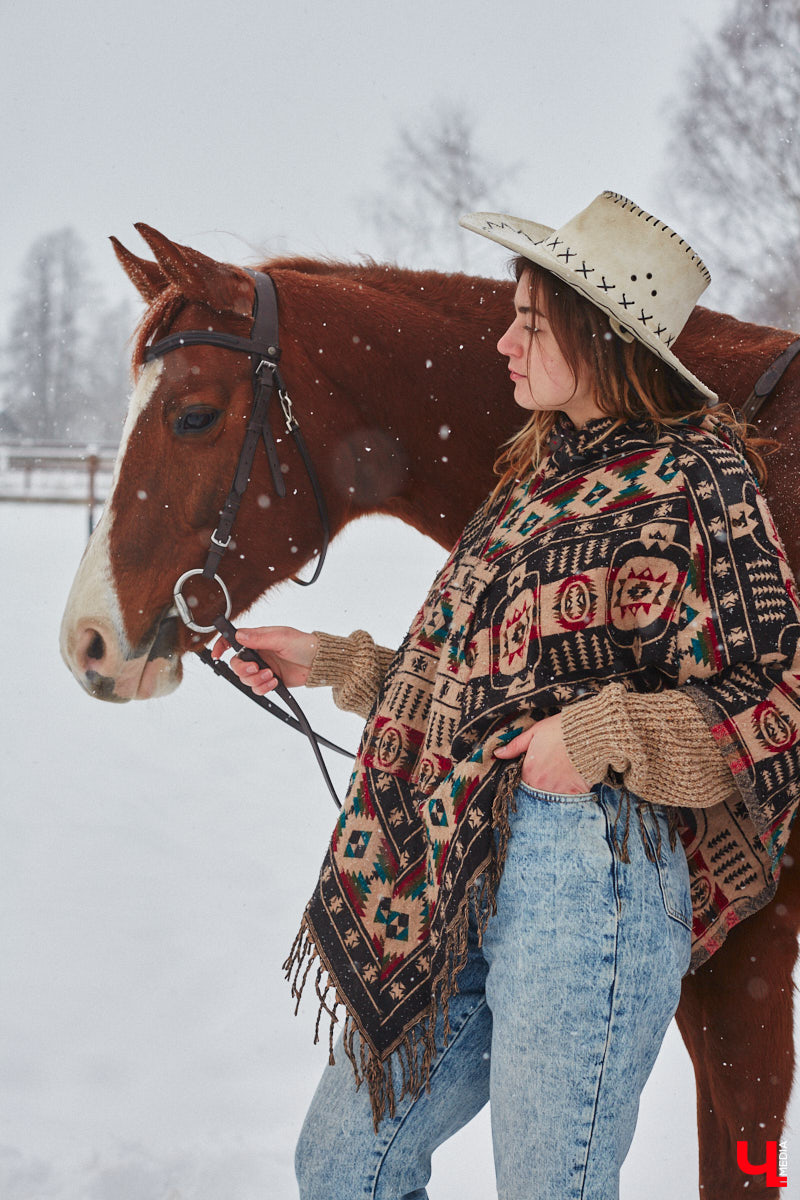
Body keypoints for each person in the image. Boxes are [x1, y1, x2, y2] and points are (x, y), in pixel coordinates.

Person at [212, 191, 800, 1198]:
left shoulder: (702, 481)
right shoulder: (528, 486)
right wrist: (334, 662)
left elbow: (769, 711)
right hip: (455, 868)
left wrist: (602, 735)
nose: (501, 341)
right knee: (343, 1164)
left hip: (594, 881)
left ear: (600, 336)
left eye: (527, 320)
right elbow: (479, 691)